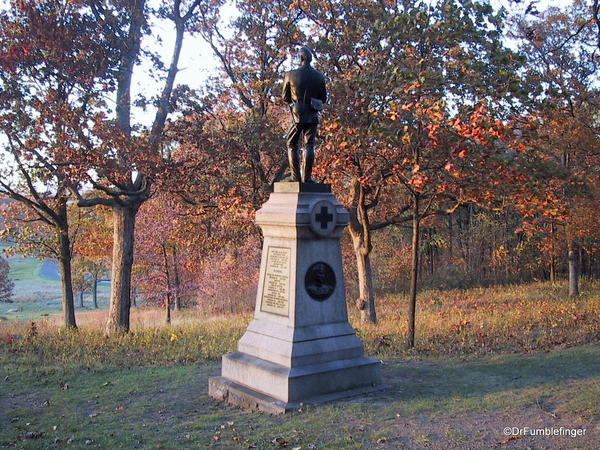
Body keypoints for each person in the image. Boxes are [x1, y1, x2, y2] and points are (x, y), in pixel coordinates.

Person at [281, 47, 327, 183]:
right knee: (309, 145)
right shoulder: (319, 76)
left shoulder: (290, 74)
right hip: (312, 112)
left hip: (297, 112)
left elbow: (285, 97)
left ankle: (295, 178)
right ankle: (306, 179)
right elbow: (323, 98)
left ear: (300, 58)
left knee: (292, 143)